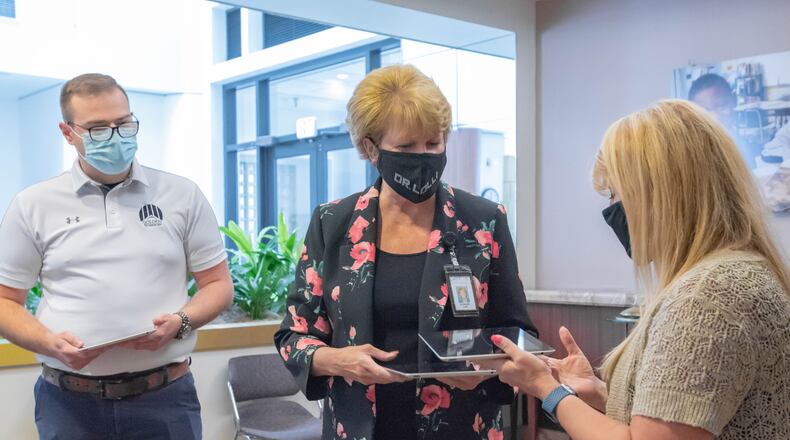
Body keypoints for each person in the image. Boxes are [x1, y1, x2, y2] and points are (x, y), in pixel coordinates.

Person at [482, 100, 790, 439]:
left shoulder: (706, 298)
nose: (612, 211)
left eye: (615, 194)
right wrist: (598, 393)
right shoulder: (738, 273)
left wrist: (544, 388)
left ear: (662, 193)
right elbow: (678, 419)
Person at [274, 64, 536, 440]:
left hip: (461, 425)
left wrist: (485, 370)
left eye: (433, 142)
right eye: (406, 146)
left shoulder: (482, 221)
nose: (424, 156)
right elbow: (294, 336)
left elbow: (517, 332)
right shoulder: (333, 223)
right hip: (361, 425)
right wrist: (337, 360)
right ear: (370, 148)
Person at [0, 73, 233, 439]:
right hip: (69, 404)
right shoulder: (33, 205)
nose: (115, 136)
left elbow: (218, 284)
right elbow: (4, 302)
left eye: (123, 123)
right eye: (96, 129)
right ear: (68, 132)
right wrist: (49, 343)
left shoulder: (182, 195)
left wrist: (182, 320)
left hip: (165, 399)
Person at [688, 73, 762, 168]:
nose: (715, 117)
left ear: (734, 101)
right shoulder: (693, 157)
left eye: (722, 106)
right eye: (704, 112)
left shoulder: (742, 147)